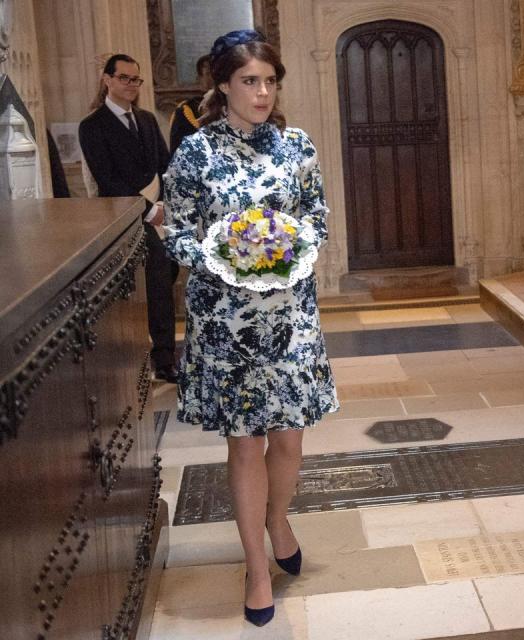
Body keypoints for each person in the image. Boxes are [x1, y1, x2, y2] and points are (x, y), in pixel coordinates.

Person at [161, 30, 339, 626]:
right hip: (226, 320)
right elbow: (177, 232)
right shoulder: (196, 153)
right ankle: (256, 566)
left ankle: (278, 518)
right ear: (223, 85)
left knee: (288, 439)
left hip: (289, 315)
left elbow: (317, 218)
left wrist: (291, 245)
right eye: (250, 81)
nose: (263, 93)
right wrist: (226, 255)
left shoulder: (298, 147)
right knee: (246, 443)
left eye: (270, 81)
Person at [79, 53, 179, 383]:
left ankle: (164, 353)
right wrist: (149, 210)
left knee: (168, 274)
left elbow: (165, 166)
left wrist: (165, 204)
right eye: (124, 78)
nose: (131, 85)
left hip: (158, 209)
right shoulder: (92, 126)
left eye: (136, 79)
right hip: (123, 217)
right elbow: (107, 179)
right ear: (107, 79)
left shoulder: (148, 119)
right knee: (156, 273)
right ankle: (156, 356)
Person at [168, 54, 212, 155]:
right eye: (208, 73)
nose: (214, 78)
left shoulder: (237, 108)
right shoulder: (186, 110)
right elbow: (178, 152)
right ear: (199, 79)